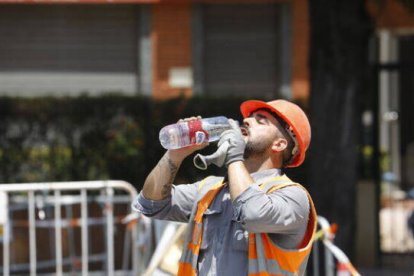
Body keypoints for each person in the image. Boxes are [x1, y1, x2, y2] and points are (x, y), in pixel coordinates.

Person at [133, 99, 317, 276]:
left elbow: (252, 213)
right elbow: (151, 204)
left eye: (261, 121)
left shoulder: (293, 196)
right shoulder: (210, 189)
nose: (246, 120)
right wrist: (174, 155)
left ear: (279, 144)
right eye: (249, 117)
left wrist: (234, 157)